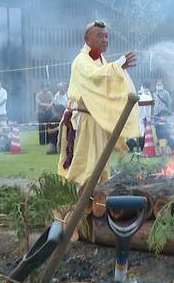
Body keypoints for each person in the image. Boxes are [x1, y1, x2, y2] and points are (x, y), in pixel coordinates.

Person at [57, 20, 140, 186]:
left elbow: (106, 82)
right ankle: (81, 198)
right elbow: (95, 77)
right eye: (100, 36)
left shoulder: (101, 60)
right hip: (85, 120)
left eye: (107, 36)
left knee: (101, 162)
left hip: (97, 119)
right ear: (87, 39)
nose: (105, 40)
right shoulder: (81, 61)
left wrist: (118, 69)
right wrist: (117, 66)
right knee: (86, 162)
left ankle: (98, 197)